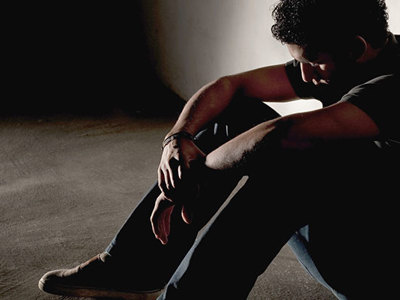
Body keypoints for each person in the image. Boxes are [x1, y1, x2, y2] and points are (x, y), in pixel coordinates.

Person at [39, 0, 399, 299]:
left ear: (354, 48)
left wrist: (192, 176)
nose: (304, 76)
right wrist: (177, 139)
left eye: (312, 61)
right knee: (239, 114)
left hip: (377, 270)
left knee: (293, 164)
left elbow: (281, 134)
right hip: (352, 229)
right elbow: (232, 86)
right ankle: (132, 269)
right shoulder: (345, 61)